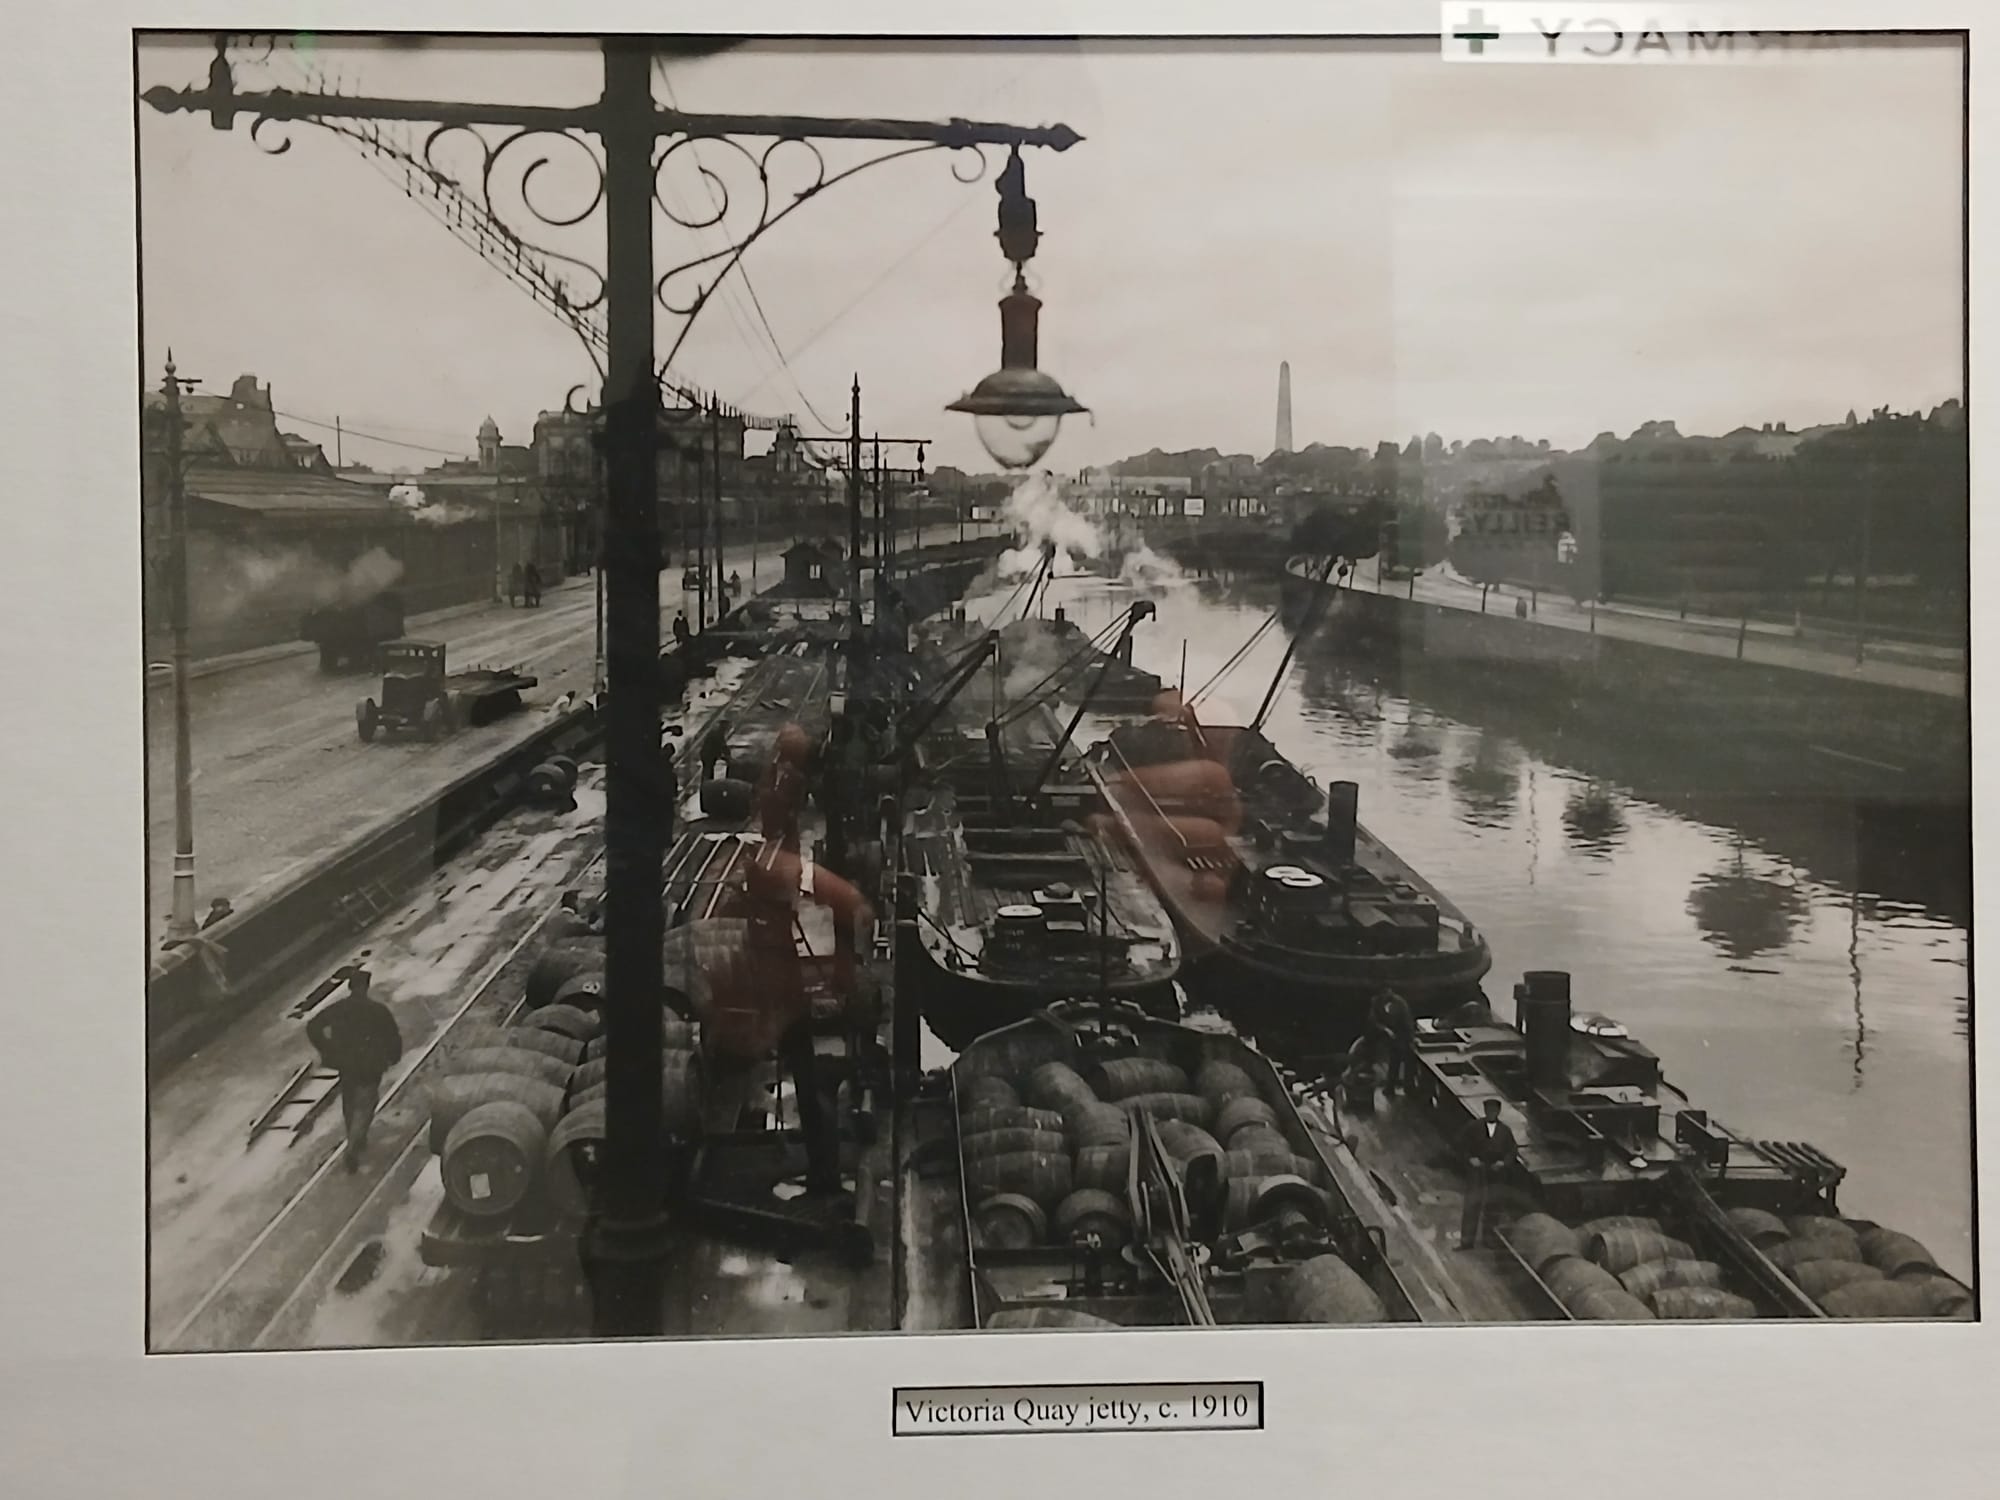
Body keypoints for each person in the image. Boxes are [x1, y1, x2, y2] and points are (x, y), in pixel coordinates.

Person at [304, 969, 403, 1173]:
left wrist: (328, 1048)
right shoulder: (377, 1010)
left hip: (346, 1064)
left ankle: (355, 1137)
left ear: (350, 987)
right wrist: (394, 1056)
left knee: (349, 1102)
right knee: (366, 1104)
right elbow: (392, 1034)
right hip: (370, 1064)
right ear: (365, 987)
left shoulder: (338, 1009)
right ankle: (353, 1145)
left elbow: (313, 1026)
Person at [1456, 1098, 1519, 1249]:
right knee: (1472, 1204)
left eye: (1494, 1111)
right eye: (1488, 1110)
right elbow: (1460, 1143)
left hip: (1496, 1173)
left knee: (1493, 1205)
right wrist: (1470, 1159)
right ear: (1485, 1111)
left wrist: (1503, 1163)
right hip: (1477, 1171)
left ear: (1498, 1112)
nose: (1491, 1113)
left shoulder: (1505, 1131)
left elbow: (1512, 1150)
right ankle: (1466, 1241)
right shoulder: (1473, 1126)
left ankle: (1489, 1239)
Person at [1370, 988, 1417, 1096]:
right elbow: (1374, 1020)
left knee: (1406, 1062)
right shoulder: (1377, 1003)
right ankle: (1392, 1087)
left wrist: (1410, 1038)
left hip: (1403, 1034)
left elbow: (1406, 1022)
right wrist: (1386, 1030)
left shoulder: (1399, 1003)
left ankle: (1407, 1087)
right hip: (1393, 1036)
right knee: (1395, 1062)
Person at [699, 717, 733, 783]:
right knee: (708, 771)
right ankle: (706, 784)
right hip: (708, 755)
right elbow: (722, 746)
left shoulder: (717, 732)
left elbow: (721, 746)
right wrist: (728, 756)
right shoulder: (718, 733)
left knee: (708, 770)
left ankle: (706, 783)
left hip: (707, 755)